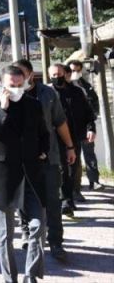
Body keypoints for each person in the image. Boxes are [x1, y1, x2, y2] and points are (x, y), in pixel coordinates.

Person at [0, 65, 50, 283]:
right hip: (3, 176)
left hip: (31, 174)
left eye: (21, 85)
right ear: (2, 84)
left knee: (38, 227)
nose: (18, 89)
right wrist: (3, 108)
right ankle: (10, 279)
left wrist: (43, 152)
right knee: (5, 236)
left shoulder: (34, 104)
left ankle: (31, 276)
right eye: (13, 85)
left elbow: (43, 132)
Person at [17, 58, 76, 261]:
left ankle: (56, 243)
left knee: (52, 201)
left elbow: (59, 122)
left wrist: (69, 147)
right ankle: (26, 233)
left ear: (31, 74)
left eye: (22, 74)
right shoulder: (11, 95)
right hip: (22, 160)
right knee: (23, 201)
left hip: (49, 157)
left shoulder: (48, 94)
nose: (19, 78)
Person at [48, 63, 95, 215]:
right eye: (53, 75)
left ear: (65, 74)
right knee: (62, 169)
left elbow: (88, 113)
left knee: (72, 169)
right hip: (55, 138)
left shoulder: (76, 92)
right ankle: (65, 201)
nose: (57, 77)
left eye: (59, 74)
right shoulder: (47, 94)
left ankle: (69, 198)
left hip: (74, 136)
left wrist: (91, 128)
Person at [68, 60, 101, 191]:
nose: (74, 73)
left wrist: (91, 125)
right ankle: (75, 185)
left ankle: (94, 181)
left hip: (86, 127)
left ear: (81, 71)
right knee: (73, 158)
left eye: (77, 70)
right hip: (70, 129)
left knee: (89, 155)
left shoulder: (86, 86)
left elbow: (93, 105)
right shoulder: (64, 87)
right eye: (72, 71)